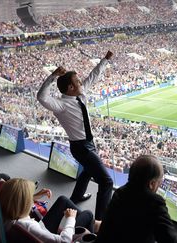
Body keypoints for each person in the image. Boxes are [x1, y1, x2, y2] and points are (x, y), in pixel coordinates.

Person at [37, 51, 114, 221]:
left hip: (88, 143)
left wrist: (105, 60)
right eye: (78, 81)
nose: (82, 82)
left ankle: (77, 196)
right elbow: (41, 97)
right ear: (70, 88)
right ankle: (101, 221)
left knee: (88, 171)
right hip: (80, 147)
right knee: (106, 181)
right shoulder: (61, 105)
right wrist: (53, 76)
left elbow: (93, 76)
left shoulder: (80, 94)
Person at [95, 155, 177, 243]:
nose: (160, 184)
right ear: (152, 183)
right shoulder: (155, 203)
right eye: (160, 180)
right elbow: (170, 239)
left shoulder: (119, 192)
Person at [0, 178, 95, 243]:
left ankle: (96, 225)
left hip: (41, 228)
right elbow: (64, 241)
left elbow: (16, 200)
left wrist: (36, 196)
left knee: (63, 200)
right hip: (48, 234)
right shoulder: (28, 226)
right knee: (88, 215)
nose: (32, 201)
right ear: (24, 203)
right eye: (29, 197)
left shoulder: (5, 212)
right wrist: (71, 219)